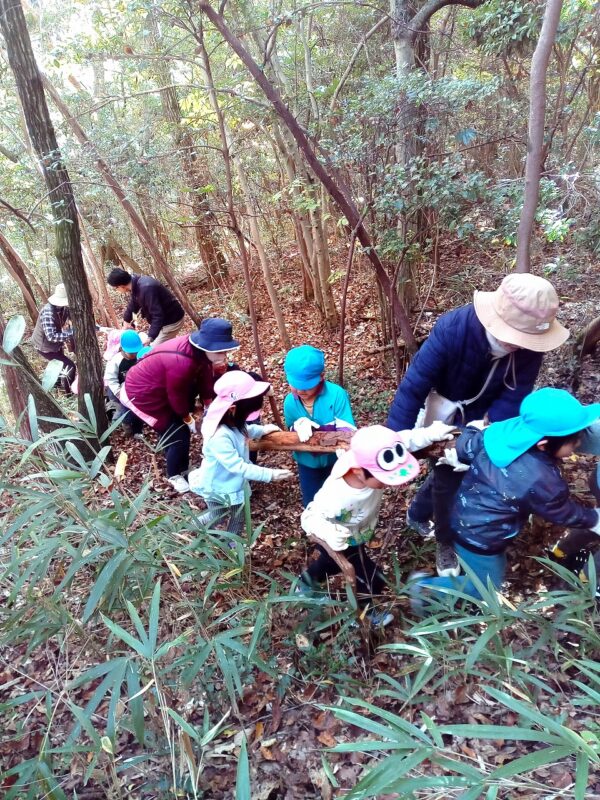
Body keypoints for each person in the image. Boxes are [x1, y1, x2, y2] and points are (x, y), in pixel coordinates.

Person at [386, 273, 570, 578]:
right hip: (444, 407)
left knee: (457, 470)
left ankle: (417, 512)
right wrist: (393, 440)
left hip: (484, 416)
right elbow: (414, 384)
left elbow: (516, 393)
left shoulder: (530, 349)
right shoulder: (454, 328)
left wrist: (486, 430)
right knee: (448, 476)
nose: (521, 345)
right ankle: (445, 540)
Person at [410, 388, 600, 611]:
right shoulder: (541, 478)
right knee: (485, 586)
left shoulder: (504, 432)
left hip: (465, 515)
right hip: (482, 537)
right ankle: (424, 591)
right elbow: (561, 510)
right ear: (544, 444)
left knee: (486, 570)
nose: (579, 443)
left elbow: (469, 444)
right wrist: (592, 519)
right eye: (574, 440)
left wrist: (468, 433)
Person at [298, 422, 454, 626]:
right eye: (382, 479)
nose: (387, 483)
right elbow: (309, 517)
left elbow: (401, 441)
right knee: (374, 579)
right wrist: (328, 532)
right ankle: (362, 615)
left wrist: (428, 434)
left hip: (357, 533)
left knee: (328, 563)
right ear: (358, 472)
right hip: (337, 538)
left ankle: (304, 584)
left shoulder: (371, 460)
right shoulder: (337, 496)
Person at [121, 317, 240, 493]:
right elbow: (176, 396)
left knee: (176, 430)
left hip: (163, 388)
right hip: (142, 394)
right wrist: (188, 418)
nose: (224, 356)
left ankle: (180, 464)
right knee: (177, 433)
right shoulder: (181, 362)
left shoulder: (200, 354)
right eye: (220, 352)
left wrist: (209, 404)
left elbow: (205, 377)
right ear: (206, 346)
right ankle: (174, 474)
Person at [188, 372, 293, 539]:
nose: (247, 419)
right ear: (232, 409)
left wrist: (261, 430)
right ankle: (189, 528)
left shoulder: (233, 421)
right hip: (217, 485)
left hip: (233, 483)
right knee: (217, 515)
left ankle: (231, 543)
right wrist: (269, 474)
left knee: (239, 517)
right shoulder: (219, 435)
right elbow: (237, 466)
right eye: (246, 413)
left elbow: (244, 430)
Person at [283, 345, 355, 506]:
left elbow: (348, 430)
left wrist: (323, 433)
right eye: (295, 384)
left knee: (339, 502)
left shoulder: (336, 394)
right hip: (307, 463)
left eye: (307, 385)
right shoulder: (290, 402)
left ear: (321, 376)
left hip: (334, 462)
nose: (301, 390)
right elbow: (290, 433)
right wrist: (296, 427)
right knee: (312, 502)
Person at [107, 267, 185, 347]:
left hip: (172, 321)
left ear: (121, 286)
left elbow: (157, 315)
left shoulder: (146, 288)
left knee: (153, 351)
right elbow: (134, 304)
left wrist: (150, 337)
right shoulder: (136, 284)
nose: (117, 290)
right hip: (163, 321)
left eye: (116, 288)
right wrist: (126, 320)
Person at [30, 283, 76, 393]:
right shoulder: (48, 312)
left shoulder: (63, 309)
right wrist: (72, 333)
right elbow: (51, 336)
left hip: (55, 344)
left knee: (59, 364)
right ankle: (68, 392)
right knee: (70, 366)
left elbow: (73, 319)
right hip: (44, 346)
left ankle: (56, 385)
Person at [104, 329, 144, 437]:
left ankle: (137, 430)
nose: (134, 355)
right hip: (119, 391)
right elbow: (111, 379)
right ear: (123, 349)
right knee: (123, 411)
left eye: (136, 352)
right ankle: (124, 426)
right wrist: (118, 392)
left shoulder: (140, 357)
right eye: (131, 352)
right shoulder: (116, 361)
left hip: (134, 390)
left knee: (137, 410)